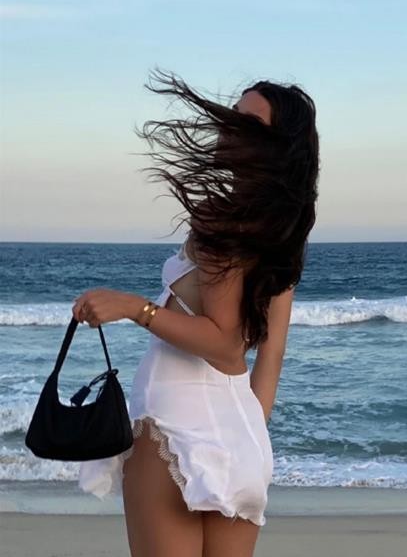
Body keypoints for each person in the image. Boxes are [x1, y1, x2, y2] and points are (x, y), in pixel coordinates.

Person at [72, 68, 320, 557]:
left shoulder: (220, 220)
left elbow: (225, 345)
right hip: (242, 432)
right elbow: (270, 355)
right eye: (233, 114)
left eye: (248, 121)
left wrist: (135, 308)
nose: (229, 125)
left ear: (276, 145)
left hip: (173, 422)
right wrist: (246, 435)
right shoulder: (283, 235)